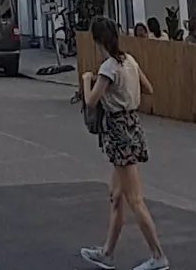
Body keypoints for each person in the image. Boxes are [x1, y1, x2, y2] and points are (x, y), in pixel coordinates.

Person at [78, 18, 168, 270]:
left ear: (97, 41)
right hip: (133, 125)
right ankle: (107, 253)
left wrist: (87, 79)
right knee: (116, 196)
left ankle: (158, 255)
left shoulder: (108, 68)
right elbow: (148, 87)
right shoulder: (129, 60)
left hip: (118, 131)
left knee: (134, 199)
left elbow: (91, 101)